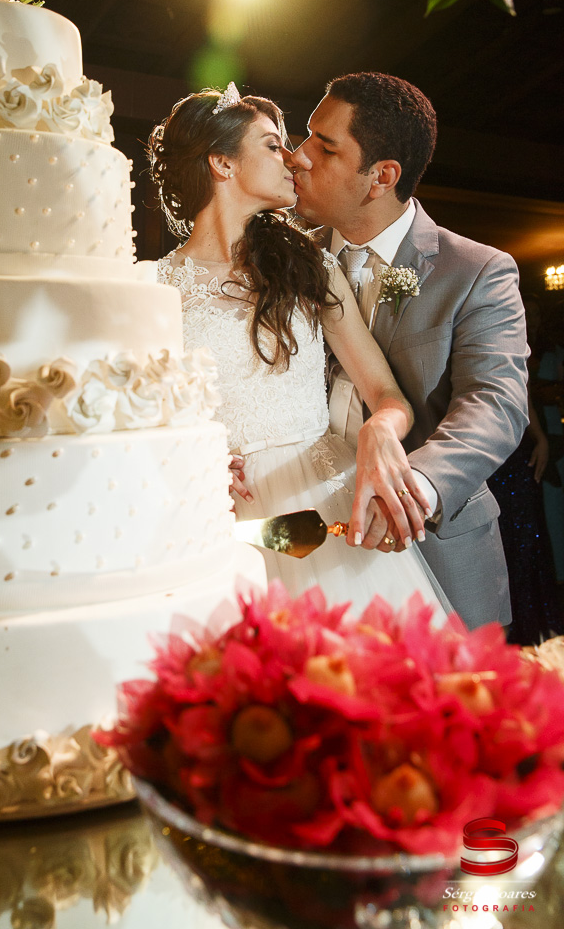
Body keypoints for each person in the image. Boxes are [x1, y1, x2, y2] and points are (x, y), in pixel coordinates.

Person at [151, 83, 450, 616]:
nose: (291, 156)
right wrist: (186, 459)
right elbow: (132, 417)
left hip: (320, 497)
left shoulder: (313, 269)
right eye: (271, 145)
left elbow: (388, 395)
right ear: (222, 163)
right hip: (214, 511)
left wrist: (381, 428)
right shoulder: (150, 288)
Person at [290, 72, 528, 629]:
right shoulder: (285, 260)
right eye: (306, 137)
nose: (298, 157)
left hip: (431, 546)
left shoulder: (476, 272)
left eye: (324, 148)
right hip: (307, 546)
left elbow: (496, 403)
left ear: (382, 177)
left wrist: (413, 488)